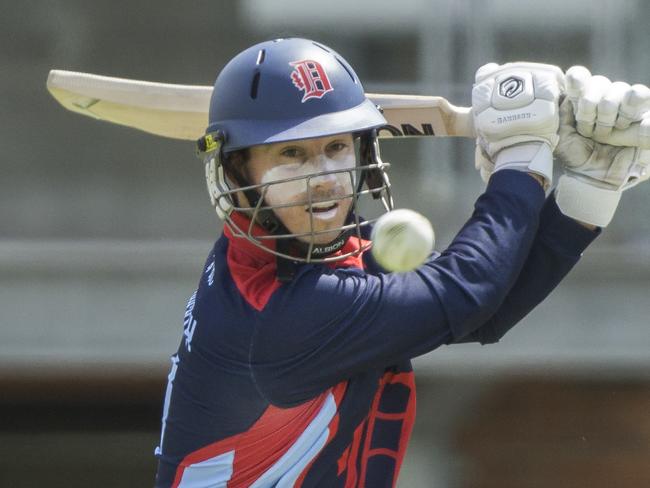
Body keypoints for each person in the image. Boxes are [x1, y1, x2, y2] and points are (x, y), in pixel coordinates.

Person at [153, 38, 649, 487]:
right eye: (291, 154)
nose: (324, 177)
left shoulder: (296, 255)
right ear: (239, 175)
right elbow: (464, 292)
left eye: (335, 147)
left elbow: (484, 312)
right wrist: (520, 158)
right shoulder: (280, 314)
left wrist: (587, 191)